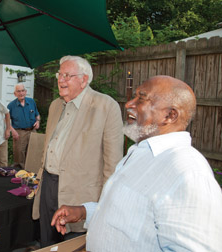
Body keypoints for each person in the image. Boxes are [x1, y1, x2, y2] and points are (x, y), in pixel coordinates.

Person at [51, 75, 222, 252]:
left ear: (170, 115)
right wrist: (84, 212)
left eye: (141, 98)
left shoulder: (187, 173)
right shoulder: (139, 153)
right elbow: (130, 216)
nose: (128, 104)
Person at [32, 55, 124, 247]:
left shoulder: (106, 107)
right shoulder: (56, 105)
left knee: (73, 246)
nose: (60, 79)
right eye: (60, 74)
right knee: (47, 243)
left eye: (67, 75)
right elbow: (48, 148)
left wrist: (103, 207)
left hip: (80, 196)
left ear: (84, 80)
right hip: (48, 186)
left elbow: (113, 165)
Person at [7, 83, 40, 169]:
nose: (21, 93)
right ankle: (20, 174)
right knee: (19, 155)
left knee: (33, 154)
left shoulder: (31, 101)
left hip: (32, 131)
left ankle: (32, 174)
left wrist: (38, 121)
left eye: (22, 91)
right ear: (15, 93)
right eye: (18, 91)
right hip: (19, 132)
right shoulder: (11, 106)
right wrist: (13, 131)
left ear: (25, 92)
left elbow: (37, 115)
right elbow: (5, 120)